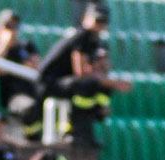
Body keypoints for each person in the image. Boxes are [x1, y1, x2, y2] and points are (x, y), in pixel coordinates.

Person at [36, 2, 132, 147]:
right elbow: (81, 72)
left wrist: (105, 71)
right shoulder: (82, 36)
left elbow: (102, 70)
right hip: (49, 83)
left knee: (101, 86)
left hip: (66, 81)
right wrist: (115, 83)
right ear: (86, 18)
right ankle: (77, 132)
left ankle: (91, 123)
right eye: (97, 20)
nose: (99, 24)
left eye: (103, 21)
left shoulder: (97, 42)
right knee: (87, 85)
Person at [0, 9, 42, 139]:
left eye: (15, 26)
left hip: (33, 91)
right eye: (8, 26)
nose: (13, 30)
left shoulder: (26, 46)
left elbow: (37, 66)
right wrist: (4, 43)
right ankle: (33, 139)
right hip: (13, 97)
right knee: (29, 107)